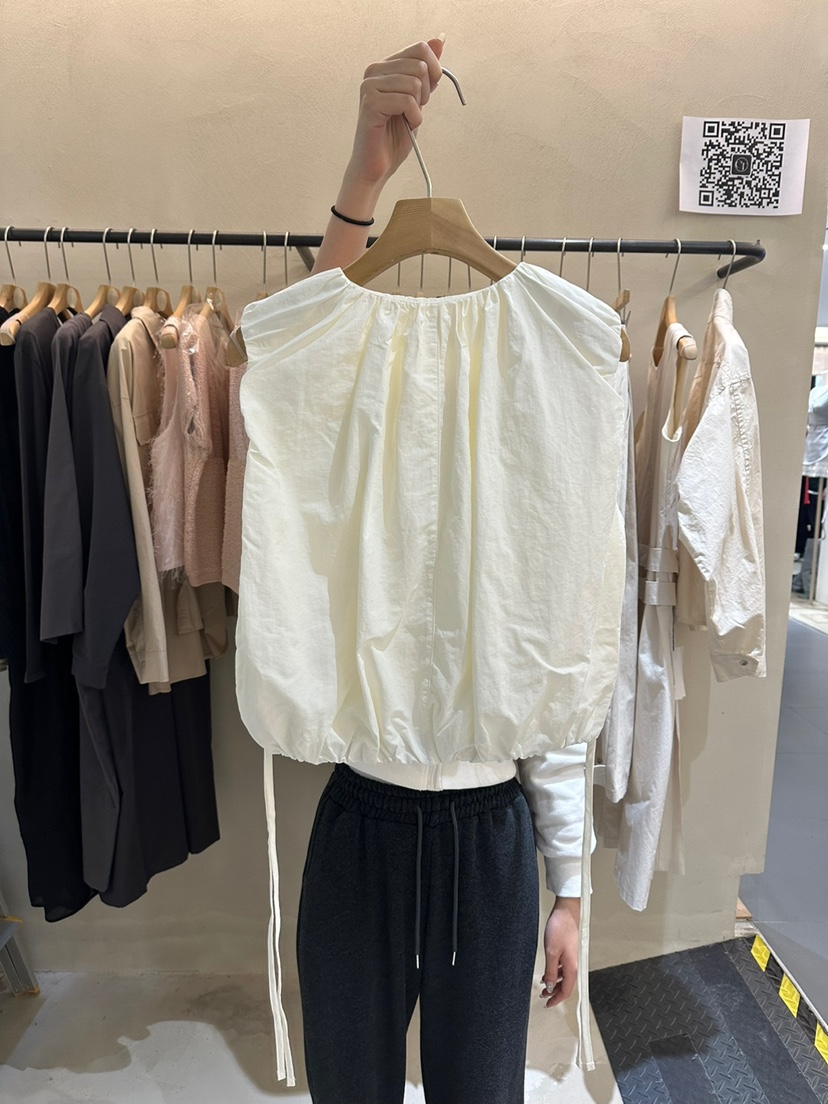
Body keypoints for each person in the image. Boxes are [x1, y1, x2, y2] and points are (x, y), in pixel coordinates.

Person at [294, 35, 591, 1104]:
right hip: (360, 824)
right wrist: (362, 178)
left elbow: (557, 671)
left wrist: (569, 889)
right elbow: (305, 359)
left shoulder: (542, 409)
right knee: (349, 1087)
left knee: (483, 1093)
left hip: (491, 834)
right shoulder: (357, 419)